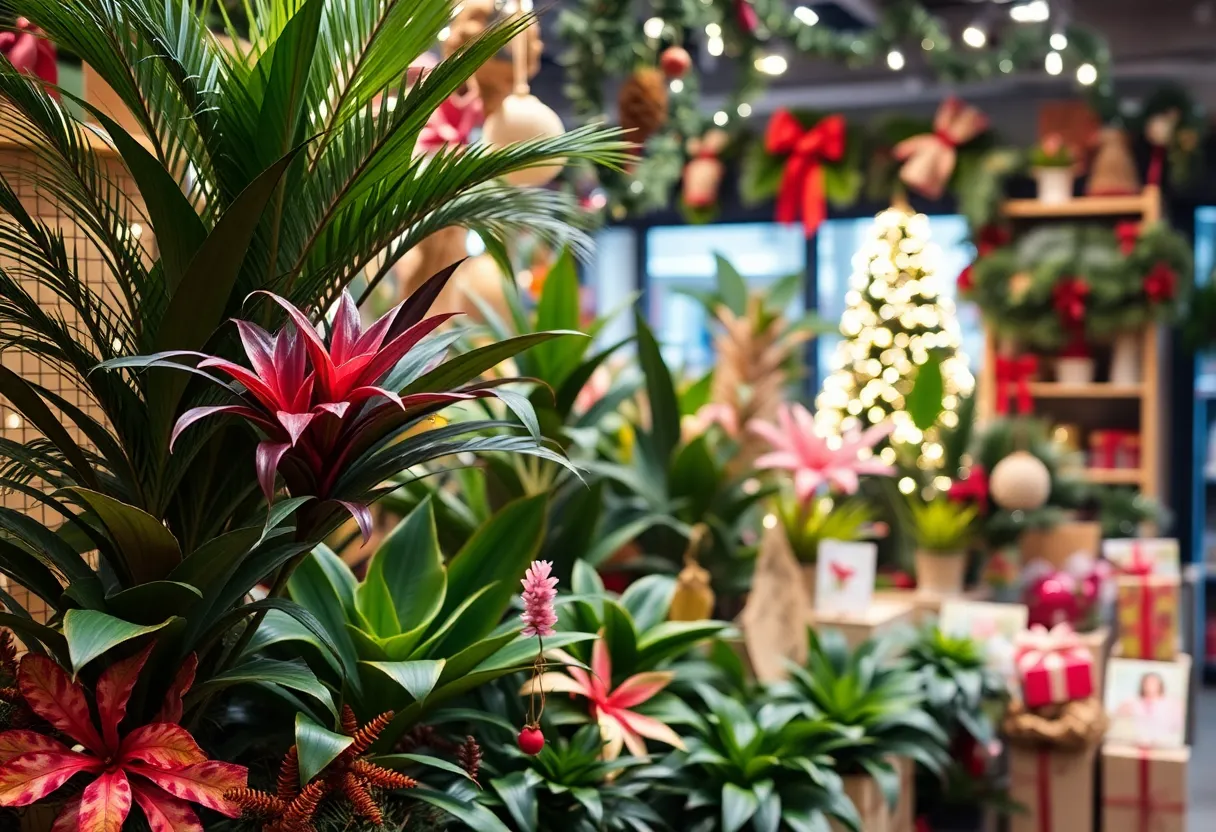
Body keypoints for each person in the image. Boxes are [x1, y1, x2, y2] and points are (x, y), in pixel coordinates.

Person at [1113, 671, 1184, 746]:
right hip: (1137, 743)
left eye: (1153, 682)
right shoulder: (1132, 701)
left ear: (1160, 685)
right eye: (1147, 683)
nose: (1150, 686)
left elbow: (1179, 727)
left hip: (1165, 744)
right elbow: (1117, 718)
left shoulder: (1172, 703)